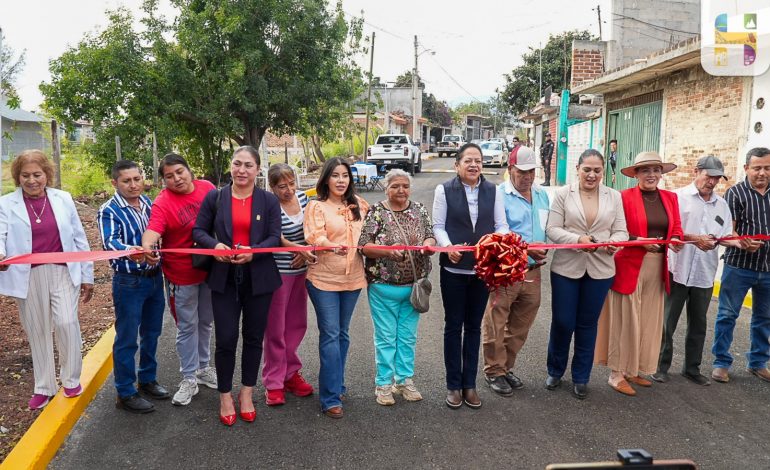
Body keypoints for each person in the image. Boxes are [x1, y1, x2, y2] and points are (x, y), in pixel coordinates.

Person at [193, 145, 282, 425]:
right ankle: (225, 396)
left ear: (258, 169)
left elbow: (274, 237)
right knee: (226, 338)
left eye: (248, 165)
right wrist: (214, 245)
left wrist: (254, 251)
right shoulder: (215, 197)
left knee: (254, 338)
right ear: (231, 166)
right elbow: (198, 230)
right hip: (224, 278)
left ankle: (246, 392)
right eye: (237, 164)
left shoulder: (268, 200)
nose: (241, 170)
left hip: (259, 278)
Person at [0, 149, 94, 410]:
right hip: (28, 275)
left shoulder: (63, 199)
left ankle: (71, 379)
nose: (32, 180)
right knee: (38, 329)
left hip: (63, 271)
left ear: (47, 174)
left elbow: (79, 237)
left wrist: (87, 275)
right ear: (17, 177)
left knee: (66, 322)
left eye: (37, 175)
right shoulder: (6, 204)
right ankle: (44, 387)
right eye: (25, 175)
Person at [595, 151, 683, 396]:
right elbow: (614, 229)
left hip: (658, 266)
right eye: (645, 170)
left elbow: (676, 227)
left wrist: (676, 238)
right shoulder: (623, 197)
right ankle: (616, 373)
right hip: (630, 264)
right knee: (625, 320)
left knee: (647, 321)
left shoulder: (670, 198)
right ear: (636, 174)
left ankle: (632, 369)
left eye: (656, 170)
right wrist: (639, 241)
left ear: (661, 173)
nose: (651, 174)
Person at [545, 149, 628, 399]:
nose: (592, 175)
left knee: (587, 324)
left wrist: (614, 242)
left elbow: (622, 231)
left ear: (603, 172)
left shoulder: (614, 196)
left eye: (597, 170)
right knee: (563, 321)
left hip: (601, 269)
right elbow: (552, 229)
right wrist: (578, 239)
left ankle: (581, 377)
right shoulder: (563, 194)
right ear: (578, 169)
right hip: (566, 267)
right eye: (587, 170)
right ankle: (555, 370)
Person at [433, 143, 509, 410]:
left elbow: (501, 225)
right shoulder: (444, 190)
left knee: (474, 327)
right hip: (453, 271)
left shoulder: (493, 190)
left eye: (478, 160)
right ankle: (453, 385)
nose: (474, 165)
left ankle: (470, 385)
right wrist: (447, 247)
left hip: (481, 271)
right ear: (457, 165)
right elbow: (438, 226)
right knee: (454, 327)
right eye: (468, 160)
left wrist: (497, 243)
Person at [651, 156, 734, 386]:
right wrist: (694, 238)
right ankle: (660, 367)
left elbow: (726, 235)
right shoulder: (677, 198)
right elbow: (668, 231)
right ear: (696, 171)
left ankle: (692, 368)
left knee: (698, 324)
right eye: (709, 176)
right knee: (667, 322)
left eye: (717, 178)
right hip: (678, 268)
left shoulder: (722, 205)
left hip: (704, 272)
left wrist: (741, 243)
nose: (712, 182)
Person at [142, 154, 217, 406]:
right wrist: (147, 245)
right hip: (181, 275)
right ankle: (188, 377)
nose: (176, 179)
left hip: (210, 270)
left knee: (205, 321)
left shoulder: (207, 188)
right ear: (163, 181)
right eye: (169, 176)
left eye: (179, 172)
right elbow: (153, 229)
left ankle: (203, 368)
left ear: (188, 169)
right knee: (187, 326)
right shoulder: (163, 202)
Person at [359, 169, 436, 406]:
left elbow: (430, 235)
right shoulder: (377, 211)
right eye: (395, 186)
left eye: (405, 186)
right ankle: (383, 384)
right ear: (386, 188)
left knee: (407, 337)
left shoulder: (419, 209)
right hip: (383, 287)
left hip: (414, 288)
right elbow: (364, 246)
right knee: (385, 338)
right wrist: (387, 251)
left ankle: (404, 381)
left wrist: (428, 245)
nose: (401, 190)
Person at [99, 160, 168, 414]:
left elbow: (159, 232)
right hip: (129, 282)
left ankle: (147, 379)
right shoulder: (109, 210)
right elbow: (110, 243)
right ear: (114, 183)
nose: (133, 185)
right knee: (127, 339)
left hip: (154, 279)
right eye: (126, 181)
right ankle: (125, 391)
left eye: (137, 179)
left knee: (152, 333)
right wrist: (136, 251)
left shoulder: (149, 203)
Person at [304, 157, 370, 419]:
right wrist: (330, 245)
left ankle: (337, 384)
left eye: (345, 175)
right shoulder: (317, 206)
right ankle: (330, 397)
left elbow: (371, 234)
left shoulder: (360, 205)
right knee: (330, 334)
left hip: (353, 278)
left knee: (342, 334)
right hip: (323, 279)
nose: (341, 180)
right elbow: (315, 235)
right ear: (326, 179)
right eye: (335, 175)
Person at [481, 147, 549, 397]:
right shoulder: (499, 196)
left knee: (521, 324)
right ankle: (493, 370)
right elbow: (495, 236)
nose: (527, 177)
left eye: (531, 172)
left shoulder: (541, 195)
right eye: (522, 172)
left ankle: (506, 367)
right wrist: (527, 248)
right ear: (510, 169)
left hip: (533, 270)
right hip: (506, 270)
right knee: (497, 322)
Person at [711, 147, 770, 384]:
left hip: (768, 268)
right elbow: (728, 230)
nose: (762, 173)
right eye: (757, 168)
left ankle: (758, 362)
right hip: (739, 266)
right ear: (746, 168)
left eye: (767, 168)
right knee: (727, 315)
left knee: (764, 318)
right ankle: (721, 362)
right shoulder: (735, 193)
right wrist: (743, 242)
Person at [262, 163, 316, 406]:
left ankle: (290, 373)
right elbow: (276, 237)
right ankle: (273, 382)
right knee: (275, 328)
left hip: (301, 271)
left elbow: (314, 229)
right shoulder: (269, 204)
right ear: (272, 187)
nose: (289, 190)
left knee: (296, 324)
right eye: (282, 186)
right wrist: (299, 249)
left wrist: (306, 251)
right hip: (278, 273)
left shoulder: (304, 198)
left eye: (291, 183)